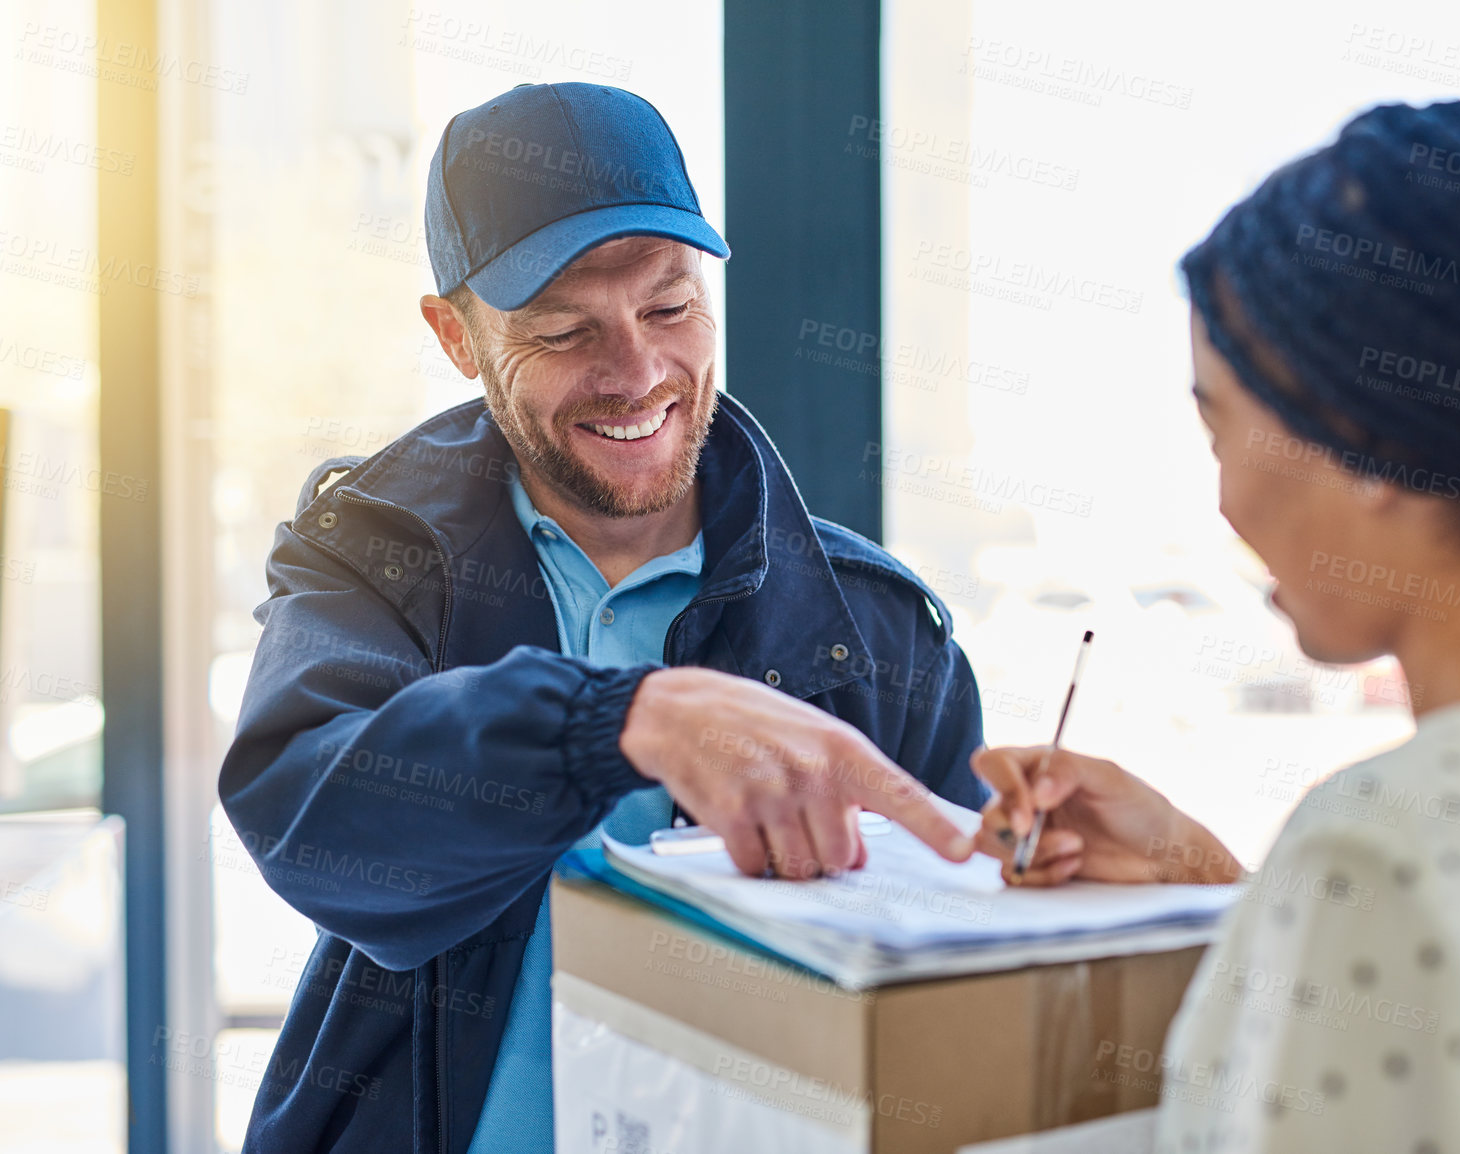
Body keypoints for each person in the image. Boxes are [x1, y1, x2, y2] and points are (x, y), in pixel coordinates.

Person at [218, 82, 984, 1154]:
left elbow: (963, 991)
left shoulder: (873, 626)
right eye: (563, 329)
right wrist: (611, 720)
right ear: (455, 335)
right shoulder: (375, 560)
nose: (635, 374)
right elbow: (310, 821)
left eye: (669, 308)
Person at [975, 101, 1460, 1153]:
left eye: (1215, 422)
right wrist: (1212, 875)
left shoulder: (1386, 852)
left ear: (1371, 443)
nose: (1223, 498)